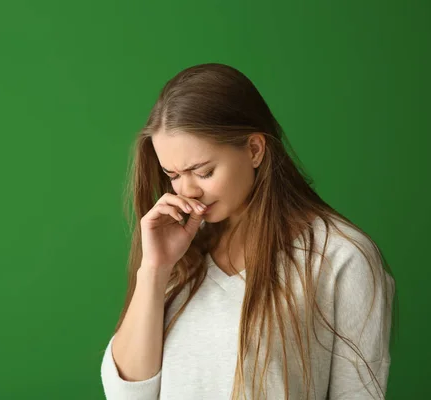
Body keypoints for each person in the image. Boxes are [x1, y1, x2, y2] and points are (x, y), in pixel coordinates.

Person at [99, 63, 398, 400]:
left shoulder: (340, 258)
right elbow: (127, 395)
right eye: (173, 174)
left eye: (204, 171)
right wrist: (154, 269)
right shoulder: (178, 249)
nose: (188, 190)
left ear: (255, 150)